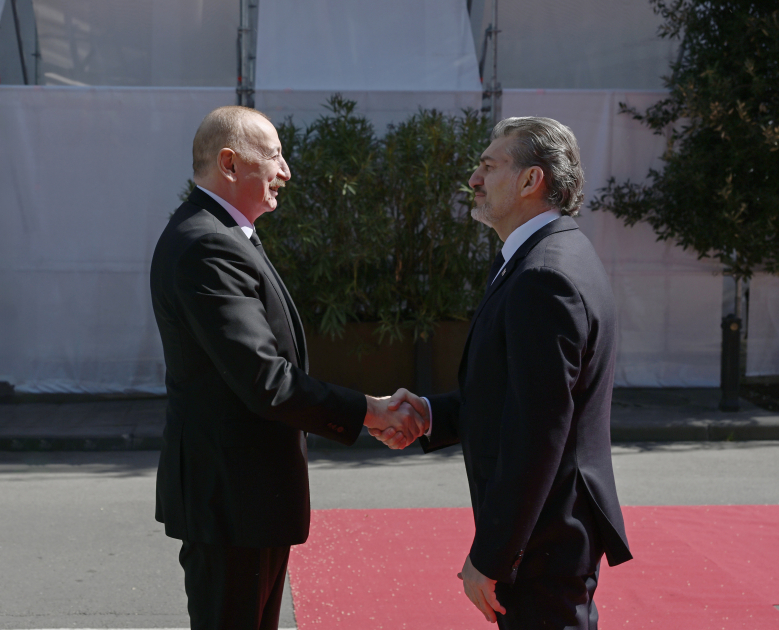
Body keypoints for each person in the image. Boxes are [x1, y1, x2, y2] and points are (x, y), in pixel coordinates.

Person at [149, 105, 425, 630]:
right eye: (274, 156)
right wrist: (370, 411)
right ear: (229, 163)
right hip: (232, 503)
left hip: (245, 501)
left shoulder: (224, 234)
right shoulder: (207, 243)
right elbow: (266, 381)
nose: (286, 171)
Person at [373, 116, 633, 629]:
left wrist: (492, 555)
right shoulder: (545, 255)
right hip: (550, 533)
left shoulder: (544, 274)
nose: (474, 179)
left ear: (531, 180)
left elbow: (538, 432)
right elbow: (513, 394)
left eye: (488, 167)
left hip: (545, 540)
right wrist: (430, 415)